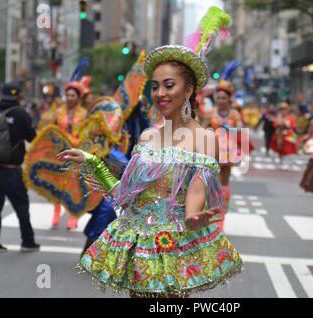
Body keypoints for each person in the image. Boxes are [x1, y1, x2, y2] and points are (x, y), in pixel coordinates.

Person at [58, 6, 242, 297]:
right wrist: (92, 162)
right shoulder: (147, 136)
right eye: (155, 86)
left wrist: (193, 216)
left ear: (190, 89)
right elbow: (124, 197)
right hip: (137, 242)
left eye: (169, 85)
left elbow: (197, 188)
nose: (160, 93)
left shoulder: (204, 138)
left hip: (173, 244)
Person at [0, 83, 40, 253]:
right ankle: (27, 241)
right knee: (21, 206)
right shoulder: (21, 114)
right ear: (19, 96)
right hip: (11, 169)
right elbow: (33, 139)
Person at [207, 80, 243, 231]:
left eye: (223, 98)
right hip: (213, 149)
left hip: (228, 150)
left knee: (224, 184)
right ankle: (211, 213)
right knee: (211, 182)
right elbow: (203, 126)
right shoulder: (211, 112)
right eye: (218, 98)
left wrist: (229, 127)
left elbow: (241, 130)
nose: (221, 100)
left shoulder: (234, 113)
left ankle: (221, 215)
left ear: (229, 99)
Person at [51, 82, 87, 229]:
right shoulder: (58, 112)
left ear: (78, 97)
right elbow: (52, 130)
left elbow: (86, 133)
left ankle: (73, 216)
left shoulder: (84, 114)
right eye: (68, 95)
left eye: (73, 95)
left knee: (75, 185)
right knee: (58, 184)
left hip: (76, 153)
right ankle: (56, 213)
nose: (70, 98)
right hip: (60, 152)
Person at [270, 102, 297, 167]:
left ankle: (286, 162)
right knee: (280, 149)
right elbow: (275, 125)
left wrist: (286, 125)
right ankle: (282, 161)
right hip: (279, 135)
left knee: (287, 150)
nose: (283, 111)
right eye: (282, 109)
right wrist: (280, 123)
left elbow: (293, 126)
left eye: (285, 109)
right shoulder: (278, 117)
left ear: (287, 110)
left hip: (288, 136)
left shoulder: (291, 117)